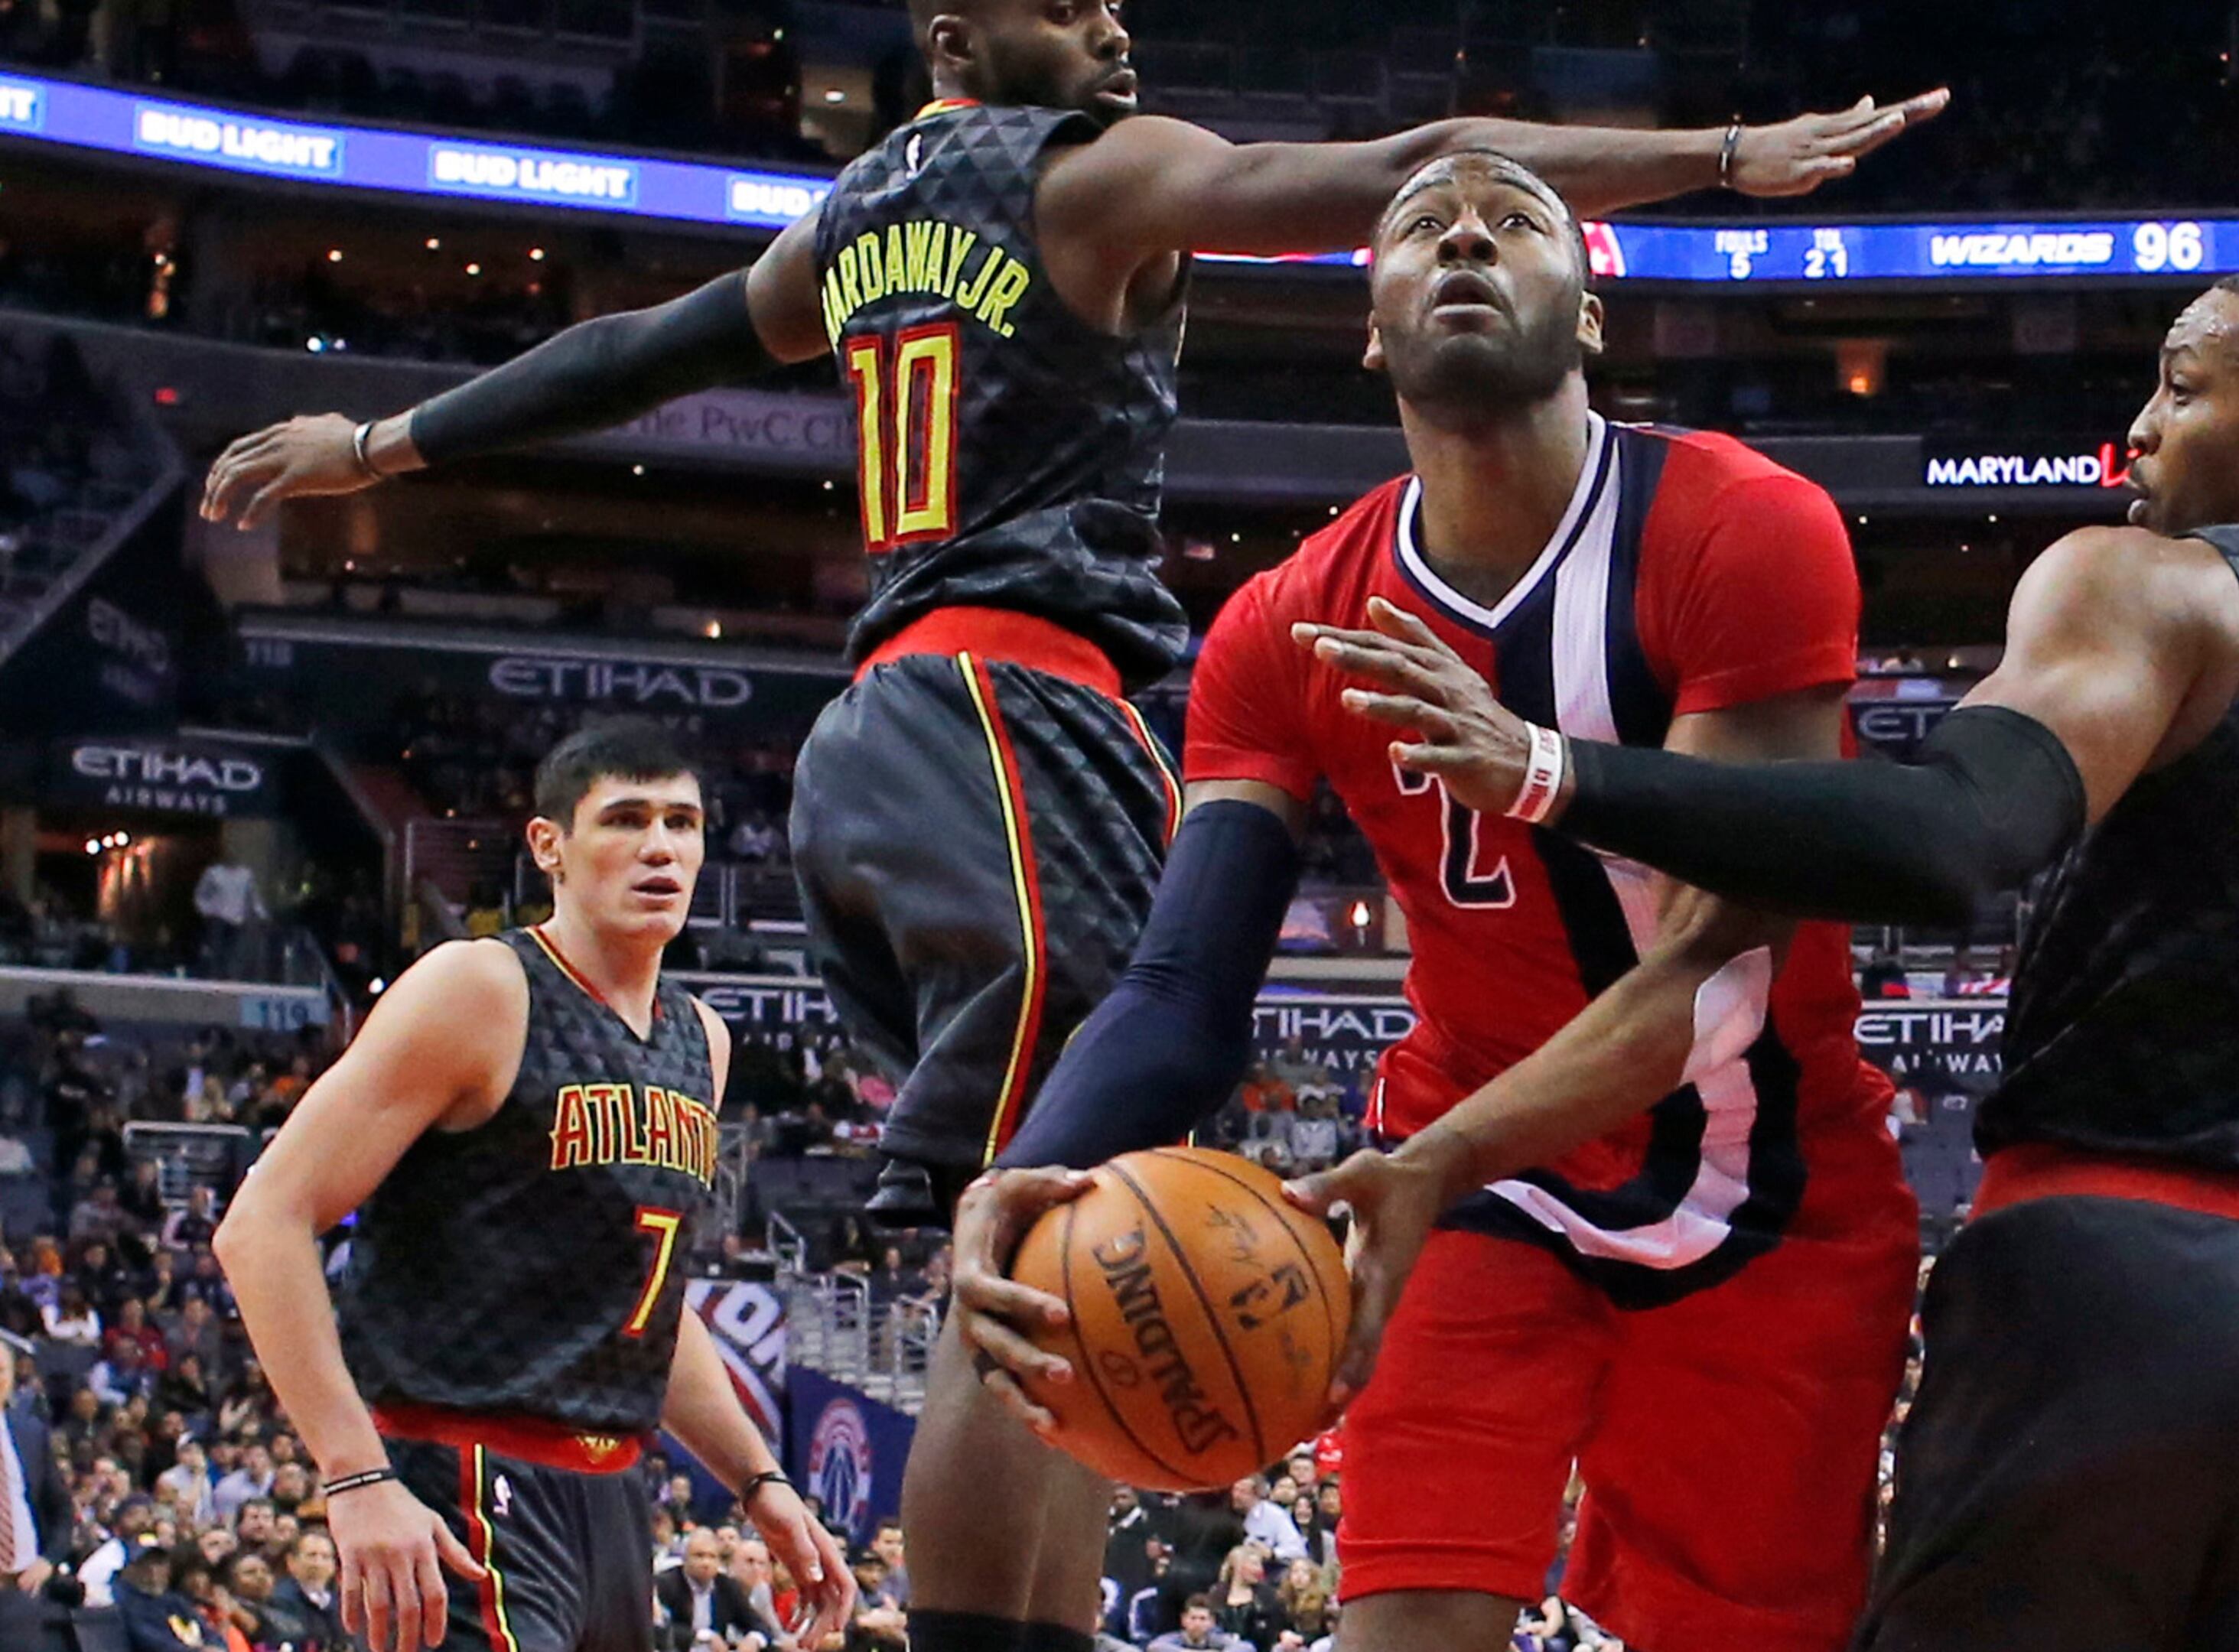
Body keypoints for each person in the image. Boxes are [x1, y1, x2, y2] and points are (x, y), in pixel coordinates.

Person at [197, 13, 1941, 1651]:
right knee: (1039, 1232)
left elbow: (637, 349)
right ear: (958, 45)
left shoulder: (848, 224)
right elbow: (1411, 154)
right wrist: (1716, 148)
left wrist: (388, 435)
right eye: (1071, 4)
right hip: (1013, 706)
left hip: (881, 725)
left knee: (1050, 1202)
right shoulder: (1094, 176)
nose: (1115, 31)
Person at [1290, 266, 2239, 1650]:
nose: (2140, 428)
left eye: (2180, 384)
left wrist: (1553, 771)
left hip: (2103, 1275)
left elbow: (1949, 836)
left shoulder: (2160, 589)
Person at [955, 154, 1916, 1652]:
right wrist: (1029, 1167)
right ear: (1371, 326)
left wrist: (1429, 1164)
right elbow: (1181, 991)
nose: (1466, 232)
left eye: (1519, 218)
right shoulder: (1282, 629)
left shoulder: (1747, 527)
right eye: (1419, 224)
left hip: (1774, 1188)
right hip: (1476, 1186)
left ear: (1591, 315)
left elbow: (1711, 977)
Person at [215, 721, 853, 1652]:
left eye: (683, 822)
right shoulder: (481, 986)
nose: (660, 846)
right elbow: (262, 1222)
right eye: (626, 820)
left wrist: (762, 1482)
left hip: (617, 1499)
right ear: (549, 845)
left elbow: (647, 1307)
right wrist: (354, 1476)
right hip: (460, 1476)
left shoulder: (701, 1039)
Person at [1, 1335, 75, 1647]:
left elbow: (61, 1509)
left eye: (2, 1370)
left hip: (23, 1591)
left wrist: (49, 1560)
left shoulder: (30, 1432)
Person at [656, 1529, 772, 1652]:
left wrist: (754, 1639)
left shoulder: (727, 1586)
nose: (706, 1563)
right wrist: (704, 1636)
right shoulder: (665, 1584)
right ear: (685, 1559)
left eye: (712, 1557)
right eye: (699, 1555)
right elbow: (657, 1628)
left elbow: (758, 1624)